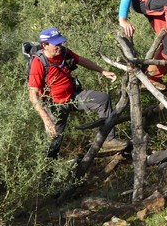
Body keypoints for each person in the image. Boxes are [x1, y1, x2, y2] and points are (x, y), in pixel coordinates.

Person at [28, 27, 127, 157]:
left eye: (60, 43)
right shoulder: (38, 63)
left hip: (73, 97)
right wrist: (46, 119)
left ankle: (108, 140)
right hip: (54, 106)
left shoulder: (63, 52)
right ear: (44, 45)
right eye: (56, 44)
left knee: (102, 99)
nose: (60, 46)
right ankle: (48, 171)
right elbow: (32, 95)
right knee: (54, 141)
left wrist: (102, 71)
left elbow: (82, 60)